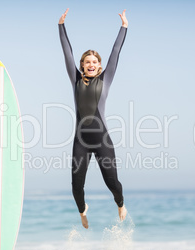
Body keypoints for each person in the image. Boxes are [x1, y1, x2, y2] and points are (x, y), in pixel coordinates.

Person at [58, 8, 128, 229]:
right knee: (76, 185)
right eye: (87, 61)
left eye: (95, 61)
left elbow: (115, 52)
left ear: (99, 66)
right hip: (81, 140)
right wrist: (61, 26)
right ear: (82, 66)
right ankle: (82, 210)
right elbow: (67, 52)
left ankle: (120, 203)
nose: (91, 64)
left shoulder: (106, 79)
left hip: (102, 140)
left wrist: (124, 27)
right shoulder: (76, 80)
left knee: (112, 183)